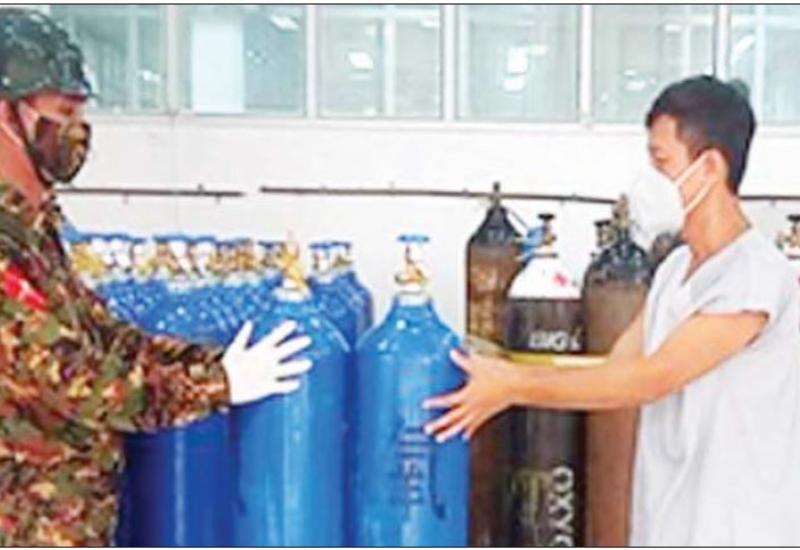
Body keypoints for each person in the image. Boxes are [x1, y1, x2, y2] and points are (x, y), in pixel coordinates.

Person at [425, 75, 800, 545]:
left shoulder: (752, 276)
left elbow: (650, 378)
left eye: (661, 162)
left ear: (709, 167)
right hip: (671, 525)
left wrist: (514, 385)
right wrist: (504, 365)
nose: (648, 181)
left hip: (738, 530)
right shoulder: (675, 270)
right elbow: (617, 368)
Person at [0, 8, 312, 546]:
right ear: (6, 114)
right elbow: (78, 381)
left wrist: (212, 360)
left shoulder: (32, 227)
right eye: (63, 111)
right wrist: (218, 385)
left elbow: (105, 335)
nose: (78, 130)